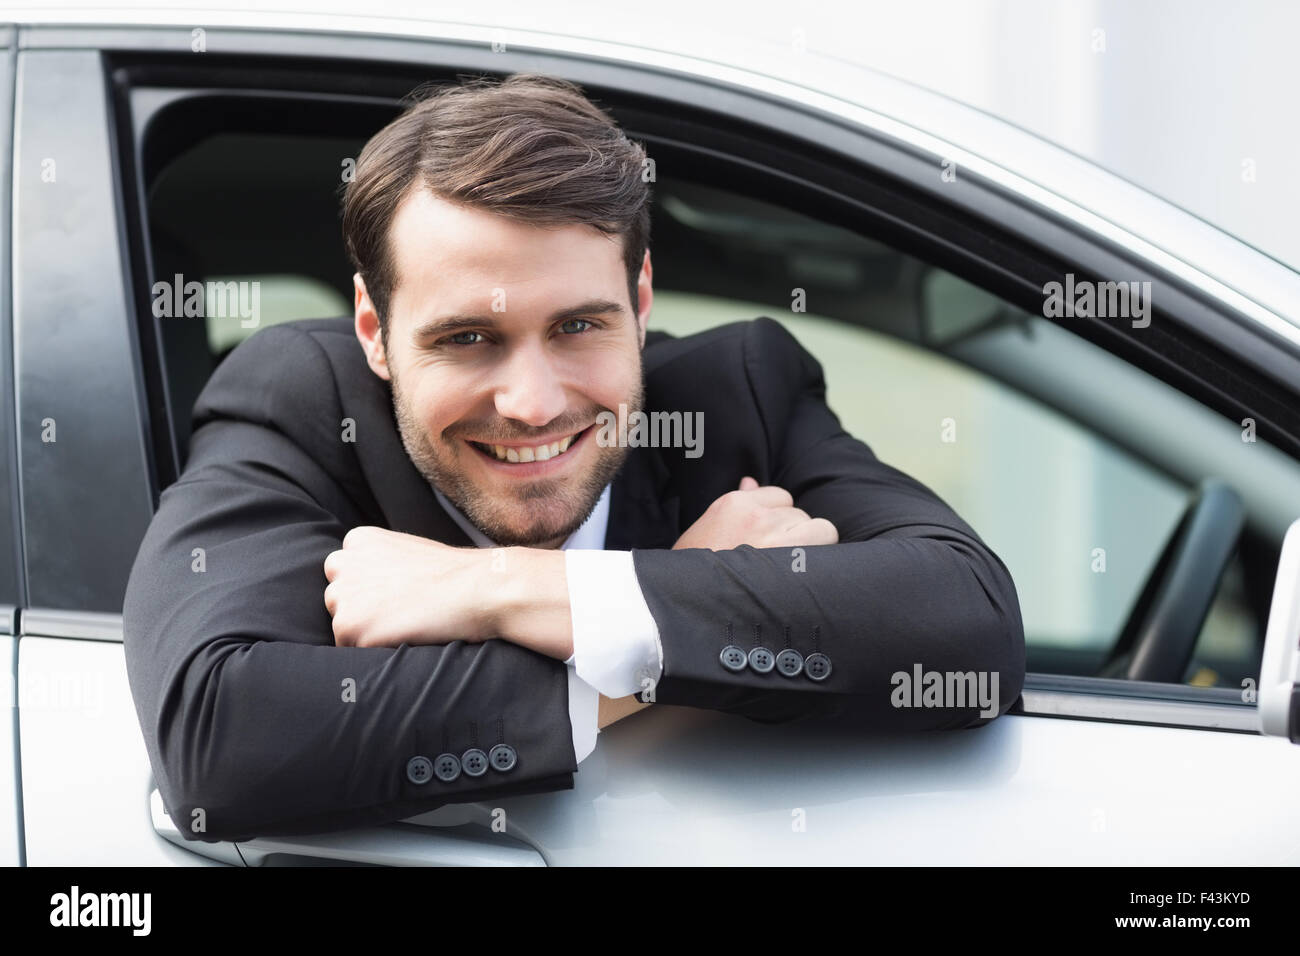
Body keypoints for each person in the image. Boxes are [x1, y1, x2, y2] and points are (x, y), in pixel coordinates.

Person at [122, 73, 1025, 843]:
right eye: (469, 337)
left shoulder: (735, 393)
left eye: (579, 326)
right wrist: (666, 622)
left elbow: (966, 624)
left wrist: (503, 591)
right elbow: (217, 742)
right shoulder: (301, 401)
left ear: (639, 298)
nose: (534, 403)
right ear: (376, 331)